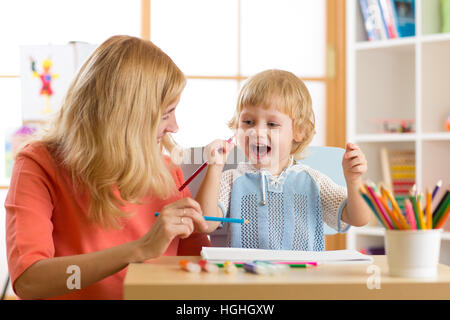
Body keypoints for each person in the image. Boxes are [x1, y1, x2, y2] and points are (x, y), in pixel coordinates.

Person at [5, 35, 210, 300]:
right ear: (127, 118)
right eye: (165, 114)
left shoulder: (167, 170)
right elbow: (29, 281)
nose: (174, 127)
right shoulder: (38, 165)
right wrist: (137, 250)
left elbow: (197, 268)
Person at [196, 69, 371, 250]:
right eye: (248, 122)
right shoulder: (232, 179)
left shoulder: (313, 181)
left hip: (303, 276)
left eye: (272, 124)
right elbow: (205, 223)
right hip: (245, 276)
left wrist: (354, 180)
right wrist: (214, 167)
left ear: (299, 131)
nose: (257, 131)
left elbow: (359, 218)